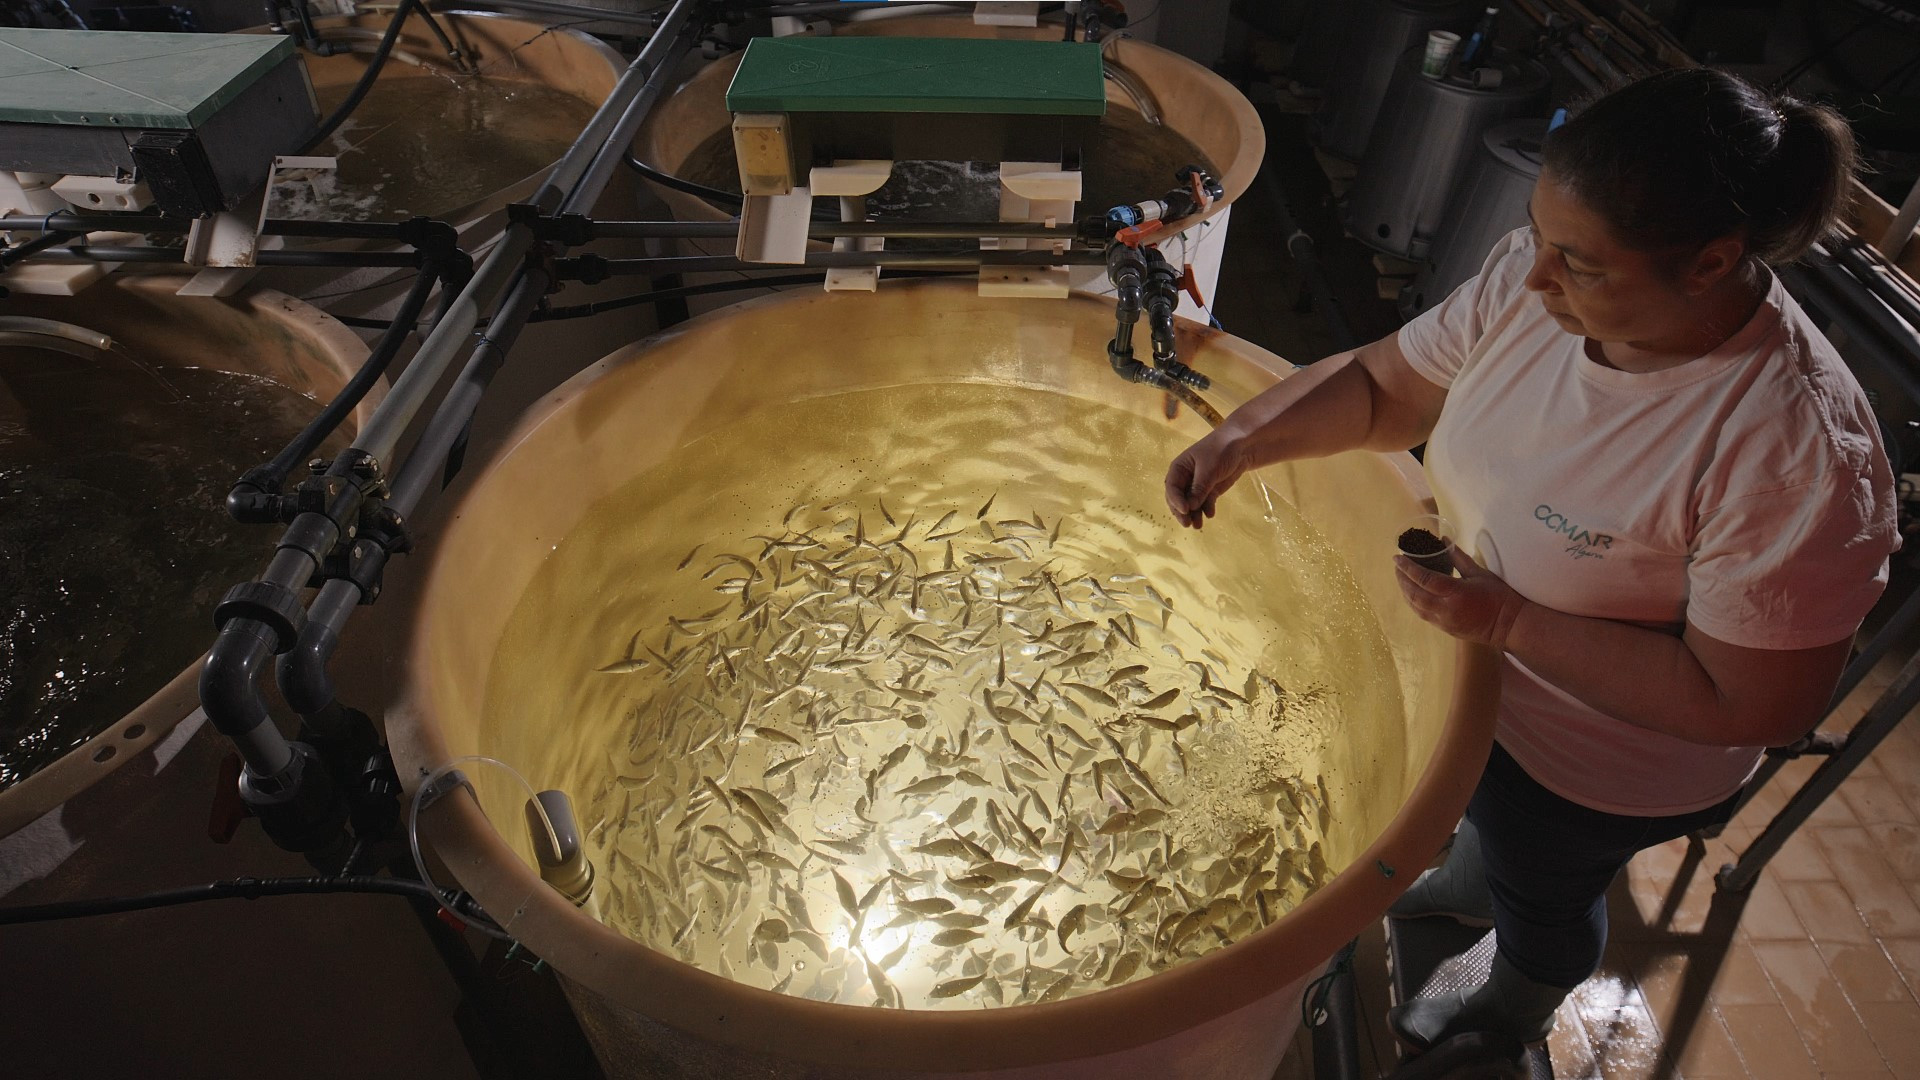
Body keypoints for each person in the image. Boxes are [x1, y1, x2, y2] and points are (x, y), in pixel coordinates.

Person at [1164, 67, 1900, 1052]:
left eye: (1581, 263)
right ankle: (1477, 875)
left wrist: (1507, 621)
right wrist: (1246, 437)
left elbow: (1754, 702)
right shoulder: (1536, 282)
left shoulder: (1793, 452)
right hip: (1476, 686)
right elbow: (1390, 388)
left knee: (1546, 881)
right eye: (1542, 237)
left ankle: (1521, 993)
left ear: (1713, 262)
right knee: (1486, 827)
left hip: (1598, 767)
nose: (1536, 275)